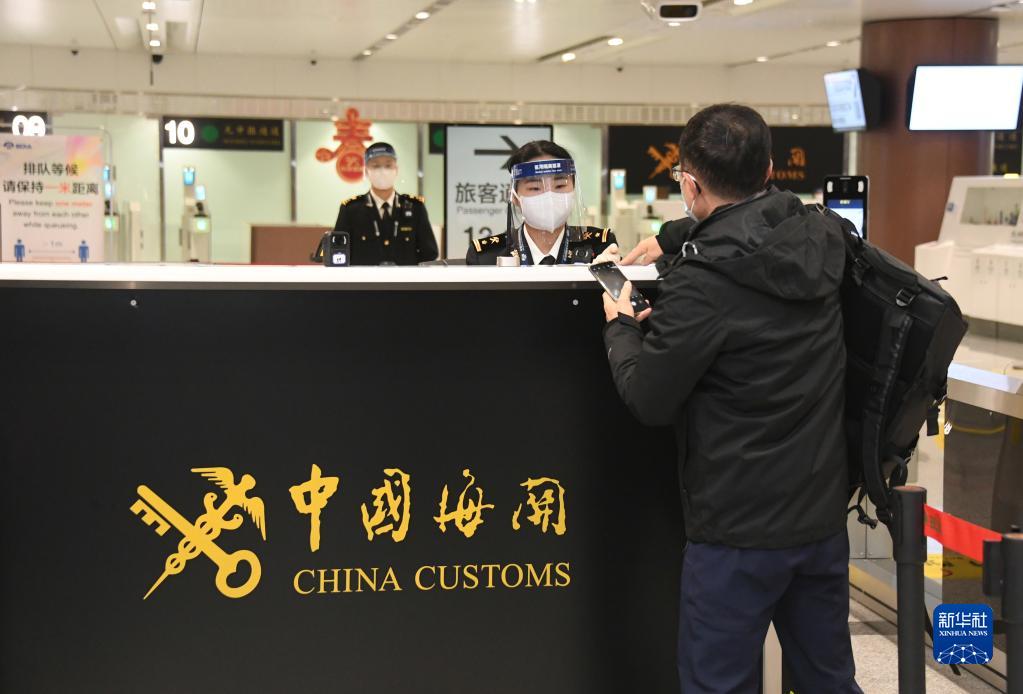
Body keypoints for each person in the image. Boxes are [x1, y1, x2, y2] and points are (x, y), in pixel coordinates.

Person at [601, 104, 860, 693]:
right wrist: (673, 236)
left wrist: (620, 327)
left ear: (690, 185)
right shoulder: (820, 236)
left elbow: (649, 397)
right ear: (769, 169)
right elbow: (760, 224)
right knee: (828, 680)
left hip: (736, 529)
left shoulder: (702, 283)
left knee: (717, 684)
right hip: (819, 515)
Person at [466, 140, 617, 265]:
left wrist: (607, 276)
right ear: (514, 197)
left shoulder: (599, 245)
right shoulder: (486, 255)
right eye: (535, 188)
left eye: (560, 186)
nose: (549, 196)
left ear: (573, 191)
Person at [326, 142, 438, 265]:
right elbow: (337, 252)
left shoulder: (415, 208)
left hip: (404, 277)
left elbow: (430, 253)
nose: (383, 171)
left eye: (388, 165)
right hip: (364, 278)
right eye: (376, 166)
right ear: (366, 171)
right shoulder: (351, 210)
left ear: (396, 170)